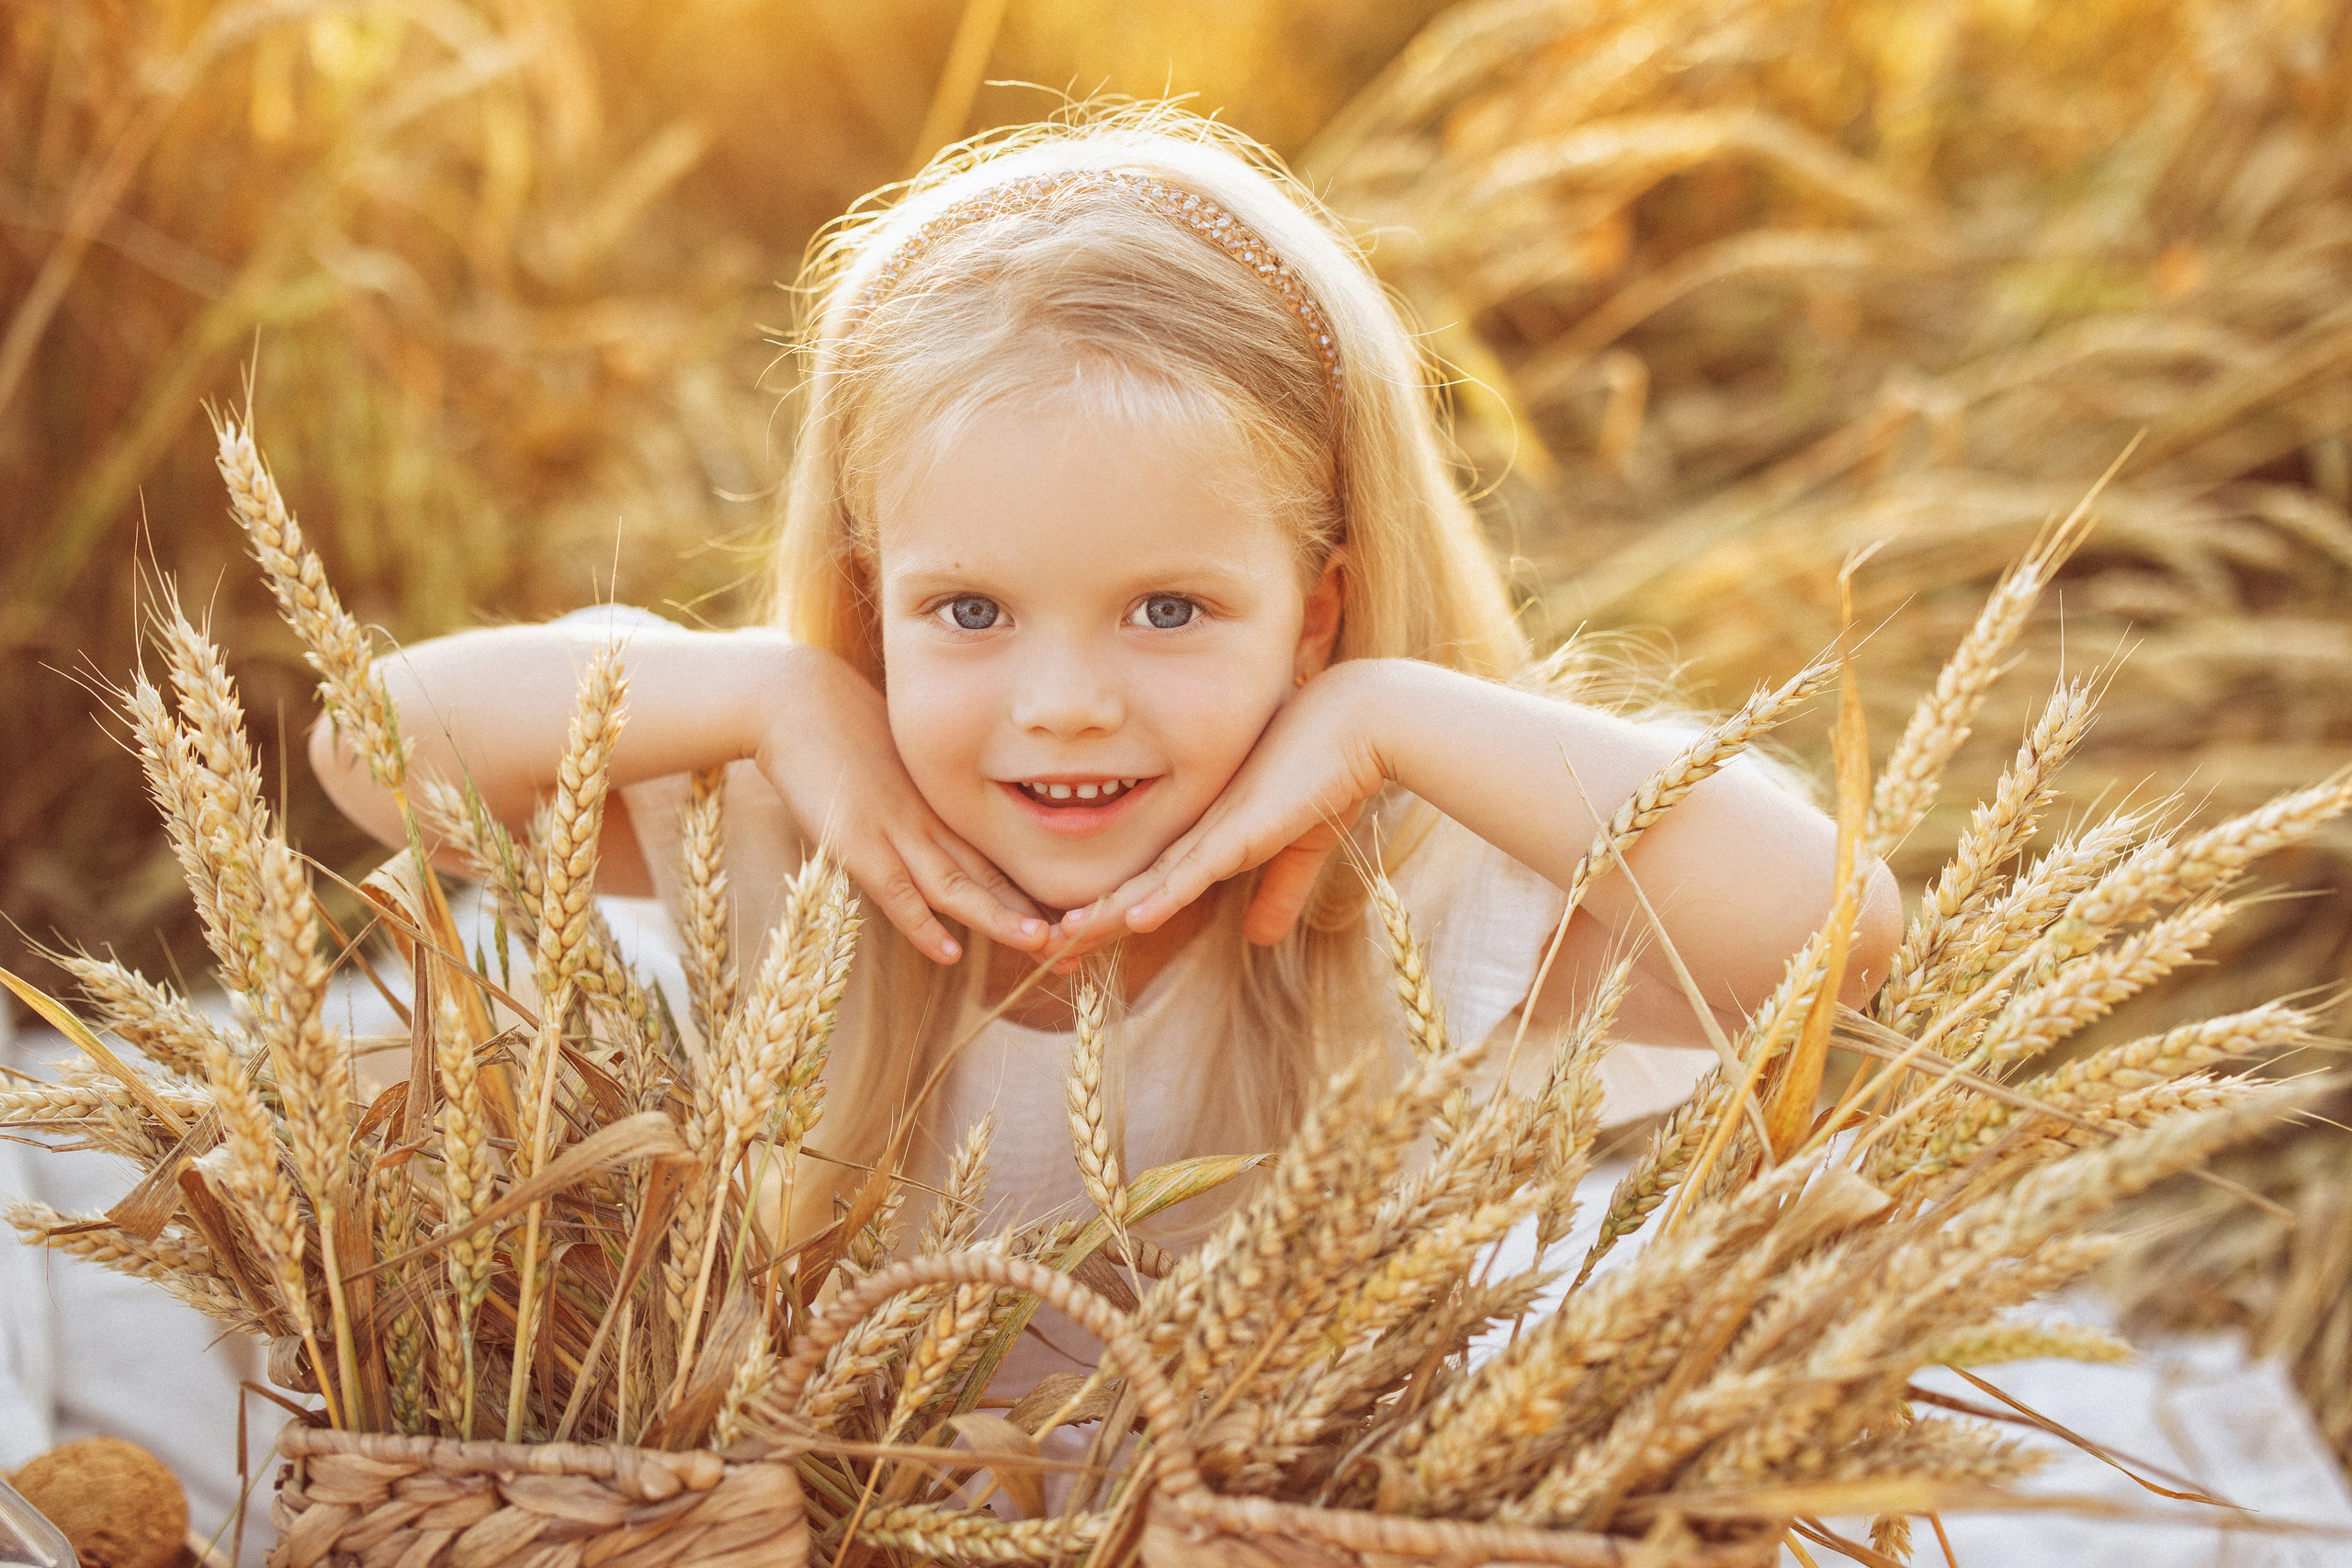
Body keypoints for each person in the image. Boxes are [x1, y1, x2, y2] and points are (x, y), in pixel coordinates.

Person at [314, 107, 1899, 1388]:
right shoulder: (791, 839)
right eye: (971, 611)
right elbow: (370, 751)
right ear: (874, 607)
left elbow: (1837, 936)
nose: (1062, 701)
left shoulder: (1411, 890)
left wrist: (1393, 716)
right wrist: (770, 695)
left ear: (1316, 610)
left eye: (1167, 609)